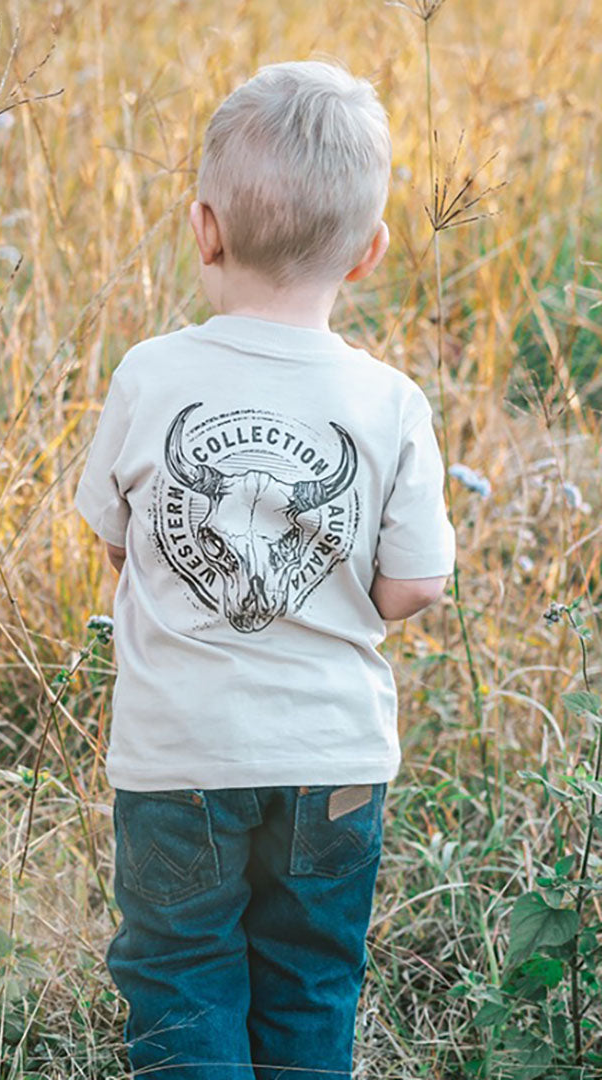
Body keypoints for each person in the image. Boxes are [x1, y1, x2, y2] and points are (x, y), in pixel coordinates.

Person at [74, 60, 456, 1080]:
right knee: (311, 975)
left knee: (181, 971)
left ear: (204, 227)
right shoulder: (390, 401)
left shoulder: (151, 374)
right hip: (334, 762)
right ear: (369, 253)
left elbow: (118, 535)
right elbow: (417, 586)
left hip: (177, 761)